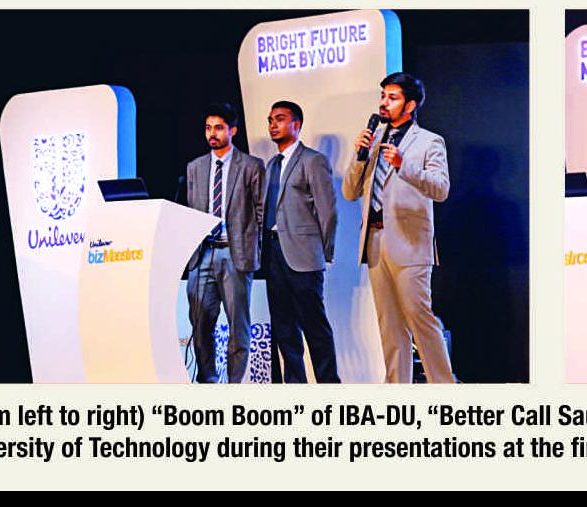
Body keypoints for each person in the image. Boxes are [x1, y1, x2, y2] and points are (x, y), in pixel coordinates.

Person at [345, 72, 457, 383]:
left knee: (420, 320)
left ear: (410, 105)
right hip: (375, 241)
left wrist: (403, 164)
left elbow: (441, 189)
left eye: (392, 98)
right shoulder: (374, 140)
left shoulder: (429, 141)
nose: (384, 103)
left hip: (410, 243)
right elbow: (350, 191)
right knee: (389, 325)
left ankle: (444, 387)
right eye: (383, 96)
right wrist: (359, 155)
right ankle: (397, 389)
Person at [258, 100, 340, 383]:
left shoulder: (313, 160)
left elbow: (328, 211)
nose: (273, 125)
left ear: (297, 124)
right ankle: (295, 387)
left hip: (304, 255)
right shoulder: (271, 164)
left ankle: (329, 385)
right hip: (273, 253)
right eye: (270, 120)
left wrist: (323, 252)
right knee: (283, 327)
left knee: (314, 326)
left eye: (280, 119)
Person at [183, 102, 265, 384]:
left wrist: (253, 249)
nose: (212, 133)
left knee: (238, 326)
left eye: (218, 128)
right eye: (208, 128)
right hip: (202, 255)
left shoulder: (251, 166)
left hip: (235, 253)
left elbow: (261, 211)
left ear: (233, 130)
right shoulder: (195, 168)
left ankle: (234, 385)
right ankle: (208, 380)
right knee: (200, 323)